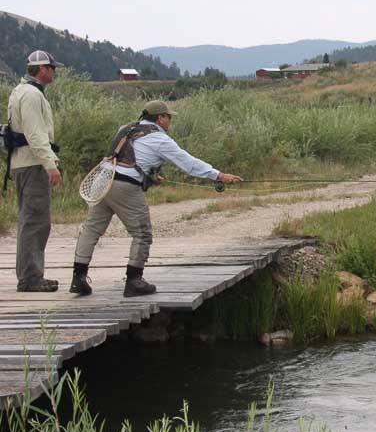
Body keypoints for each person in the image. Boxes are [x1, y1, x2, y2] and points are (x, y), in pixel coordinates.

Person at [70, 100, 242, 297]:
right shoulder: (160, 139)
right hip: (125, 186)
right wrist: (219, 175)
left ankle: (78, 278)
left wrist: (149, 177)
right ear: (160, 118)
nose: (170, 121)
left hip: (103, 181)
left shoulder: (125, 128)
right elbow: (189, 164)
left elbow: (128, 157)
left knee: (91, 229)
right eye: (169, 117)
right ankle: (134, 281)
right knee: (142, 233)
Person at [6, 50, 63, 292]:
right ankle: (30, 278)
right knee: (36, 221)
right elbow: (35, 134)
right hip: (32, 163)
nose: (54, 72)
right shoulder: (31, 94)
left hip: (23, 162)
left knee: (30, 220)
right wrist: (50, 164)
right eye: (52, 68)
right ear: (42, 69)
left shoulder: (20, 90)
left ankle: (31, 275)